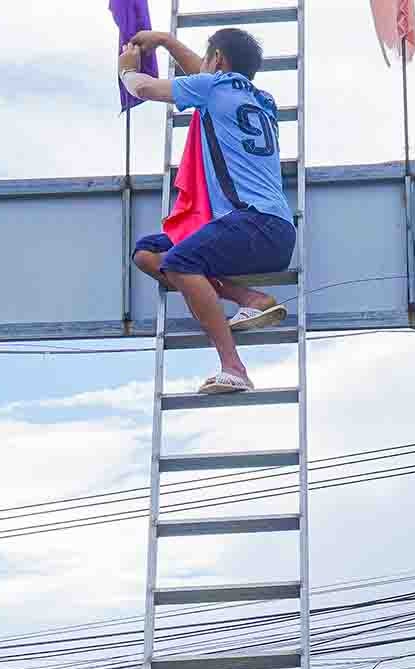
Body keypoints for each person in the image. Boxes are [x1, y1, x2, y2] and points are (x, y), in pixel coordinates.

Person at [118, 26, 296, 395]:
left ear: (217, 60)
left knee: (180, 262)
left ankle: (234, 368)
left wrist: (126, 69)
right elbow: (204, 76)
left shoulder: (213, 89)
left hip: (252, 224)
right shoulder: (263, 100)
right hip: (270, 228)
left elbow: (144, 89)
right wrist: (166, 42)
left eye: (208, 58)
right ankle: (249, 299)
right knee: (149, 253)